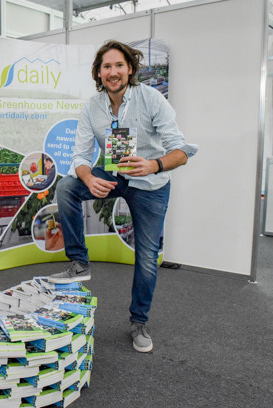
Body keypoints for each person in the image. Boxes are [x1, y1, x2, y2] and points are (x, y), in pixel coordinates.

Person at [48, 40, 198, 353]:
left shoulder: (151, 98)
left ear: (129, 69)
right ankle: (79, 262)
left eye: (119, 65)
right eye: (107, 66)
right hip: (114, 173)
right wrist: (89, 177)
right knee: (66, 187)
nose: (113, 72)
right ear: (99, 73)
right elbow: (80, 156)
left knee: (146, 257)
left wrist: (154, 165)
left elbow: (182, 151)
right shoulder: (92, 106)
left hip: (151, 183)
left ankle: (139, 322)